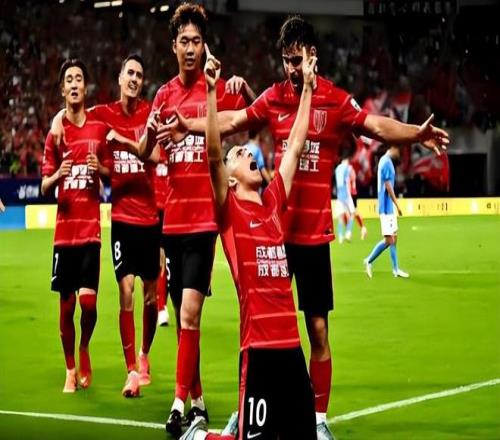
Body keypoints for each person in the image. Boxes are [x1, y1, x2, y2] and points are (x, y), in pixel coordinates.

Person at [160, 15, 448, 439]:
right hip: (272, 232)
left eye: (296, 60)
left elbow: (375, 126)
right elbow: (233, 122)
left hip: (311, 234)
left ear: (312, 55)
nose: (290, 68)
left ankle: (318, 419)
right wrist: (189, 125)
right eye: (285, 60)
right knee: (257, 324)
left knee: (317, 330)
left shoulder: (334, 99)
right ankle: (249, 403)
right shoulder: (274, 98)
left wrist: (414, 134)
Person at [180, 43, 317, 440]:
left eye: (246, 149)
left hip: (292, 350)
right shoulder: (230, 212)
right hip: (257, 351)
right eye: (238, 153)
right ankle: (202, 437)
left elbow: (295, 146)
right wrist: (210, 92)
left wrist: (308, 88)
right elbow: (212, 154)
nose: (247, 151)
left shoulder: (273, 203)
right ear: (231, 177)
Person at [137, 3, 255, 436]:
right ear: (173, 46)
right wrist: (150, 132)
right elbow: (148, 153)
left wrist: (243, 88)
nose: (190, 48)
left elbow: (250, 120)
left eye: (197, 41)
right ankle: (199, 402)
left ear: (205, 46)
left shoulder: (216, 90)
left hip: (205, 221)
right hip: (172, 222)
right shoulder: (163, 95)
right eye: (184, 41)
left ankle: (177, 404)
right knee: (186, 322)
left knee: (189, 313)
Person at [51, 55, 161, 398]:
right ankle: (131, 371)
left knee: (151, 296)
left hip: (151, 216)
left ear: (142, 82)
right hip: (122, 218)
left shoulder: (150, 114)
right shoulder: (103, 115)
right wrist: (55, 120)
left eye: (139, 74)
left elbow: (155, 157)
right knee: (126, 292)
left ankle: (144, 354)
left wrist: (126, 141)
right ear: (119, 78)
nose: (134, 79)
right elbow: (74, 112)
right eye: (129, 73)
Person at [41, 59, 110, 393]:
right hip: (64, 235)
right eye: (68, 79)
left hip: (90, 233)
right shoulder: (55, 134)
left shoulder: (98, 128)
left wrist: (101, 170)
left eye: (78, 78)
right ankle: (70, 368)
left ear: (85, 87)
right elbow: (44, 186)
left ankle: (84, 346)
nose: (73, 84)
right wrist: (58, 175)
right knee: (66, 306)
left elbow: (112, 174)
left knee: (89, 305)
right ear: (62, 89)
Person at [364, 145, 409, 278]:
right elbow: (388, 186)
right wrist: (398, 205)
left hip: (388, 207)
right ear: (393, 148)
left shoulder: (385, 161)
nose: (399, 155)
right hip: (386, 208)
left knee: (394, 238)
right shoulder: (386, 162)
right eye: (399, 151)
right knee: (389, 240)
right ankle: (368, 261)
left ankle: (395, 269)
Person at [334, 153, 355, 244]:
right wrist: (353, 185)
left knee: (340, 217)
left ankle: (340, 237)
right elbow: (352, 177)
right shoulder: (348, 168)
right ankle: (348, 233)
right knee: (352, 213)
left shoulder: (337, 169)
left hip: (339, 195)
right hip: (346, 195)